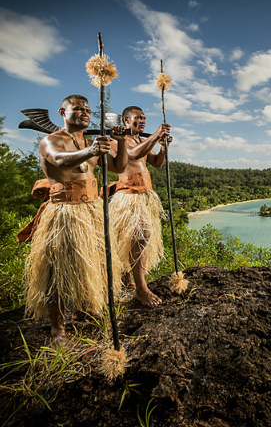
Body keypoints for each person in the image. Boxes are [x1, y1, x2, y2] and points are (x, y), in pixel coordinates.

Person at [24, 94, 128, 346]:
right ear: (62, 111)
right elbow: (59, 160)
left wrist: (121, 142)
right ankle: (57, 329)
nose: (84, 113)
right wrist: (90, 150)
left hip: (92, 209)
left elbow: (118, 167)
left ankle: (83, 308)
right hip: (65, 212)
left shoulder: (91, 142)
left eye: (87, 110)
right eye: (78, 108)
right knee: (58, 271)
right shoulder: (51, 140)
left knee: (92, 262)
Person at [108, 106, 171, 307]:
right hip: (129, 197)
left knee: (132, 239)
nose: (142, 120)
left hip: (145, 195)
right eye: (138, 118)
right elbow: (133, 155)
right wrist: (157, 134)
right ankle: (141, 289)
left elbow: (156, 163)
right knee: (139, 235)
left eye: (144, 117)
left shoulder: (141, 140)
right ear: (126, 120)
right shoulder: (119, 141)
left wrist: (163, 146)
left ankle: (128, 277)